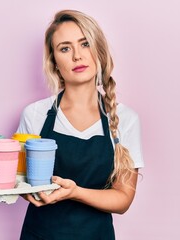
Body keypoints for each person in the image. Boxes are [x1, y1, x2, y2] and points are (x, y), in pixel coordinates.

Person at [16, 9, 144, 239]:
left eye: (85, 44)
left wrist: (74, 192)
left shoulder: (125, 119)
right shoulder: (35, 115)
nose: (77, 56)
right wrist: (24, 190)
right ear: (55, 62)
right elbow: (20, 181)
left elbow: (123, 199)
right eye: (65, 48)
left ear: (99, 51)